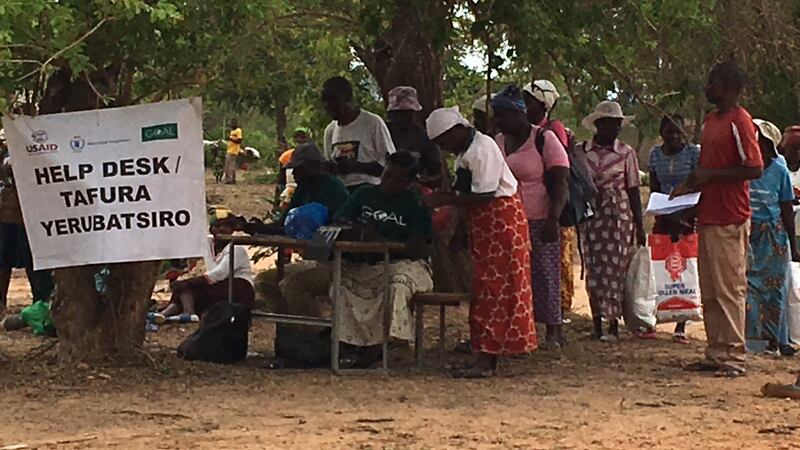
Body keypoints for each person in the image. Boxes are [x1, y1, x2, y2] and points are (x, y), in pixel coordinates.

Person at [274, 152, 434, 367]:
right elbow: (340, 220)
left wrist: (380, 240)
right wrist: (355, 231)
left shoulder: (415, 204)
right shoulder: (365, 194)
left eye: (398, 180)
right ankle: (341, 342)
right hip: (362, 262)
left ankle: (381, 346)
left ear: (409, 183)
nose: (390, 183)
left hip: (398, 263)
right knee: (341, 284)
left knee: (396, 284)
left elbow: (418, 247)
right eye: (387, 176)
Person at [424, 106, 537, 378]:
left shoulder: (481, 149)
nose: (444, 148)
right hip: (485, 224)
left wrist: (444, 200)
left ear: (456, 131)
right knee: (486, 287)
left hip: (500, 220)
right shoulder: (465, 153)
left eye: (444, 141)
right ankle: (484, 351)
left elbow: (484, 194)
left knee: (495, 289)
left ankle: (488, 358)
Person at [673, 62, 763, 378]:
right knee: (710, 289)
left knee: (729, 288)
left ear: (727, 87)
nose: (707, 88)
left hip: (730, 215)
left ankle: (734, 355)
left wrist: (710, 176)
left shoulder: (740, 121)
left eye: (712, 83)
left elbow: (754, 168)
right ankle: (716, 351)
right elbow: (705, 167)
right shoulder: (711, 121)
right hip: (709, 213)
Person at [491, 85, 570, 348]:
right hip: (508, 222)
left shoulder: (544, 139)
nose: (498, 121)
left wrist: (553, 218)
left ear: (518, 114)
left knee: (545, 274)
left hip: (540, 218)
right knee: (513, 276)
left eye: (502, 115)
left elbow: (561, 180)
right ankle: (519, 327)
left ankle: (553, 330)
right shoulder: (498, 142)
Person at [580, 101, 645, 341]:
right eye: (611, 124)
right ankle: (596, 322)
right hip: (592, 215)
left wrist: (639, 226)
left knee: (617, 269)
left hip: (619, 216)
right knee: (594, 268)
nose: (616, 129)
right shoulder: (582, 152)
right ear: (599, 125)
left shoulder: (626, 153)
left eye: (618, 125)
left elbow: (634, 190)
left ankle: (613, 324)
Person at [523, 79, 576, 317]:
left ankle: (555, 319)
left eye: (528, 102)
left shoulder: (551, 131)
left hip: (548, 212)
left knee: (550, 268)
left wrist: (553, 216)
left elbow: (559, 174)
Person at [646, 114, 701, 343]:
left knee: (684, 264)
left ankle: (681, 322)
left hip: (687, 214)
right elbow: (654, 186)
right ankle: (657, 315)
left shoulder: (693, 153)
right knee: (659, 264)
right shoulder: (655, 155)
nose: (676, 136)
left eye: (679, 132)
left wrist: (685, 216)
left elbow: (699, 184)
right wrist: (660, 211)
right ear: (662, 133)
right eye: (670, 131)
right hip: (663, 214)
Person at [745, 119, 798, 356]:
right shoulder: (745, 166)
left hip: (773, 236)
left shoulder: (779, 169)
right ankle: (753, 341)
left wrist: (793, 246)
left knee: (774, 290)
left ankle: (773, 341)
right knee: (749, 287)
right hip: (749, 233)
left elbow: (786, 206)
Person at [158, 215, 255, 319]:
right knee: (185, 287)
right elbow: (189, 259)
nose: (221, 229)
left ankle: (187, 313)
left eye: (226, 226)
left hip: (239, 287)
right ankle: (165, 315)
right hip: (218, 284)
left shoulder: (236, 247)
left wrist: (188, 282)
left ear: (232, 230)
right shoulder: (208, 243)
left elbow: (220, 273)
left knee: (192, 286)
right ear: (211, 229)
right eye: (217, 225)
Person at [0, 131, 54, 312]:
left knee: (34, 259)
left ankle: (41, 301)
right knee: (3, 258)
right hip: (6, 213)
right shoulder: (4, 153)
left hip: (32, 213)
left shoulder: (36, 150)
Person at [322, 76, 396, 193]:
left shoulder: (372, 123)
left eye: (333, 101)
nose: (328, 106)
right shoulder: (330, 130)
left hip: (371, 190)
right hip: (343, 193)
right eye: (325, 102)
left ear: (346, 98)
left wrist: (356, 167)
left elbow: (390, 166)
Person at [385, 86, 443, 189]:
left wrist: (422, 181)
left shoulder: (423, 137)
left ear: (414, 113)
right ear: (390, 114)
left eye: (406, 113)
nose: (401, 117)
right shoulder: (380, 132)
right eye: (397, 113)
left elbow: (437, 175)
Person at [224, 119, 243, 184]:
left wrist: (231, 139)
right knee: (228, 165)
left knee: (230, 165)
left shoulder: (238, 131)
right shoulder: (232, 131)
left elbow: (239, 141)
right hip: (230, 149)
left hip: (234, 150)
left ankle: (230, 179)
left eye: (232, 124)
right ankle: (230, 179)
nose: (231, 126)